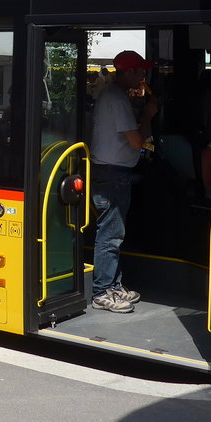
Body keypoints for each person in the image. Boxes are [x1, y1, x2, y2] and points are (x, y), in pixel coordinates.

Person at [88, 50, 158, 314]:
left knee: (115, 233)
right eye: (140, 71)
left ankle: (113, 285)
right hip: (112, 173)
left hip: (112, 171)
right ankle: (102, 291)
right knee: (111, 234)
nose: (143, 76)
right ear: (128, 72)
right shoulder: (117, 99)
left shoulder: (115, 97)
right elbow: (136, 142)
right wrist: (149, 115)